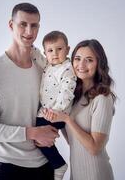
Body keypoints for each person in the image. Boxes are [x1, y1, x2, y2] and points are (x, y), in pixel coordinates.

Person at [0, 2, 59, 180]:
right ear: (11, 25)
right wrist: (33, 133)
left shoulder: (43, 67)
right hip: (10, 167)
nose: (29, 31)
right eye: (23, 24)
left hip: (46, 164)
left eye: (34, 25)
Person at [44, 39, 116, 180]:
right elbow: (74, 141)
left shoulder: (102, 99)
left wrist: (66, 119)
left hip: (96, 174)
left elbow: (95, 148)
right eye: (77, 59)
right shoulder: (74, 97)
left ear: (99, 64)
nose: (81, 65)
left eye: (89, 60)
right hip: (77, 173)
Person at [31, 31, 77, 180]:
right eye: (50, 51)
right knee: (37, 135)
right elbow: (38, 55)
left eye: (59, 49)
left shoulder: (67, 69)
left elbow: (67, 92)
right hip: (46, 111)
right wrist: (30, 47)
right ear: (46, 53)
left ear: (68, 50)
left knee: (38, 132)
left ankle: (59, 165)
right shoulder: (49, 65)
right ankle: (53, 163)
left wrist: (55, 112)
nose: (55, 54)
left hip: (56, 113)